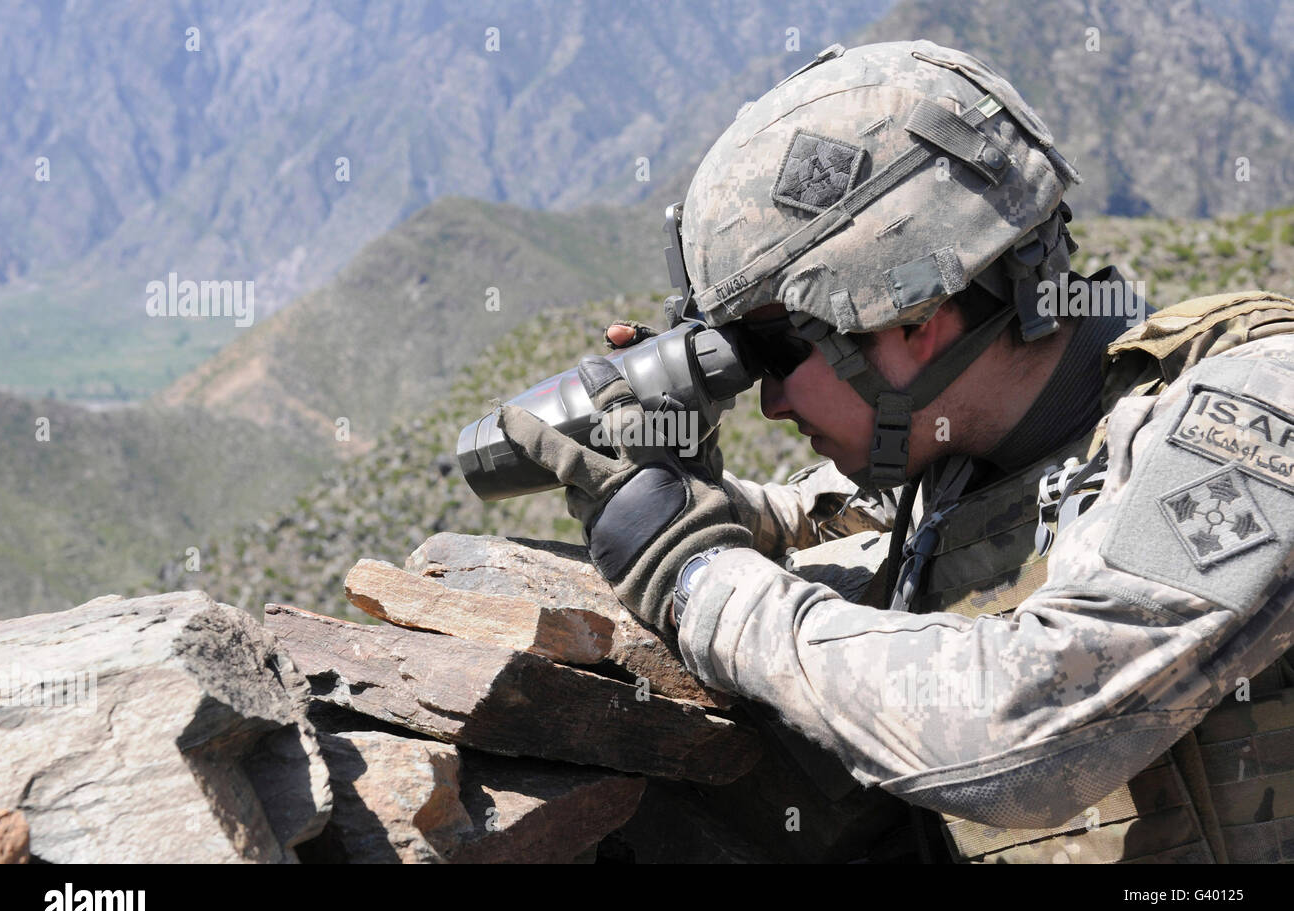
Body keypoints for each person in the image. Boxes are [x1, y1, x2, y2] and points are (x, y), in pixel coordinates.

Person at [497, 39, 1294, 863]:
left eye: (774, 355)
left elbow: (1029, 734)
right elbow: (831, 520)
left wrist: (697, 581)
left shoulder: (1257, 419)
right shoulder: (965, 451)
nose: (768, 402)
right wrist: (686, 493)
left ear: (910, 318)